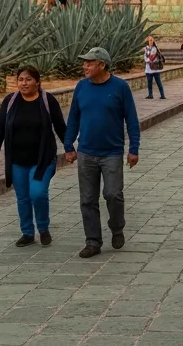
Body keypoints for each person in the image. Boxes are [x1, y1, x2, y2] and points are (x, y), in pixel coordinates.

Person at [62, 47, 140, 258]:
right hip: (86, 152)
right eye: (84, 62)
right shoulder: (80, 87)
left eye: (89, 62)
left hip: (112, 153)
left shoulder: (120, 87)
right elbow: (73, 119)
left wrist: (133, 149)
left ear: (102, 65)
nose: (84, 66)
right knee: (87, 199)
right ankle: (93, 241)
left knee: (113, 194)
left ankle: (117, 227)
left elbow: (132, 120)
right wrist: (68, 146)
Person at [0, 65, 66, 246]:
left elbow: (60, 127)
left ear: (37, 82)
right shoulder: (10, 101)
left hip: (43, 159)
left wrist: (70, 148)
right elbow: (0, 126)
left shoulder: (48, 101)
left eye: (28, 79)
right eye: (21, 80)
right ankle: (27, 232)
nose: (24, 83)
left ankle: (43, 228)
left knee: (38, 193)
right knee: (23, 197)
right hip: (17, 160)